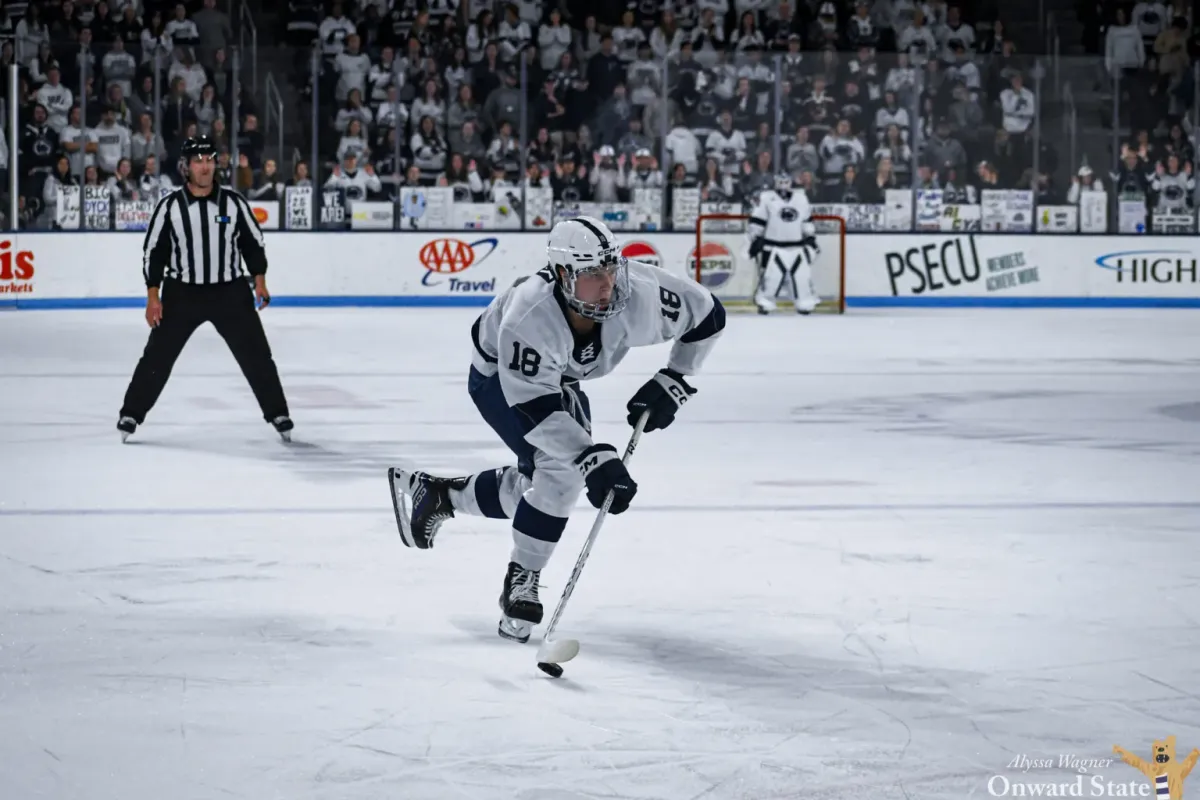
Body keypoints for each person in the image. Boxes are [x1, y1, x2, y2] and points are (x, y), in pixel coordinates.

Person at [388, 216, 726, 643]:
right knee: (562, 473)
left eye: (611, 269)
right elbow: (534, 407)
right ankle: (522, 577)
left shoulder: (640, 294)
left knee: (544, 480)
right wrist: (591, 459)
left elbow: (709, 316)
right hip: (501, 380)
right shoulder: (529, 317)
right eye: (592, 274)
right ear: (564, 275)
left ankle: (440, 496)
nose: (608, 284)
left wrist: (675, 379)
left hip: (557, 379)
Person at [117, 135, 293, 442]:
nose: (205, 167)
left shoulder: (233, 203)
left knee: (257, 356)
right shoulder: (169, 206)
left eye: (210, 160)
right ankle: (131, 413)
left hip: (230, 291)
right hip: (182, 292)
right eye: (198, 161)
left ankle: (278, 413)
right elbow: (153, 252)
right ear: (185, 167)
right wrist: (153, 295)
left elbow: (253, 243)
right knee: (158, 357)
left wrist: (260, 279)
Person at [746, 173, 821, 315]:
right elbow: (758, 220)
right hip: (773, 246)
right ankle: (765, 302)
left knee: (802, 277)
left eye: (786, 182)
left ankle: (805, 302)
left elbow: (806, 220)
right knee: (771, 277)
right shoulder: (767, 198)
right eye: (780, 181)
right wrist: (754, 238)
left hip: (797, 246)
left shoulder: (801, 198)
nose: (783, 185)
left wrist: (810, 236)